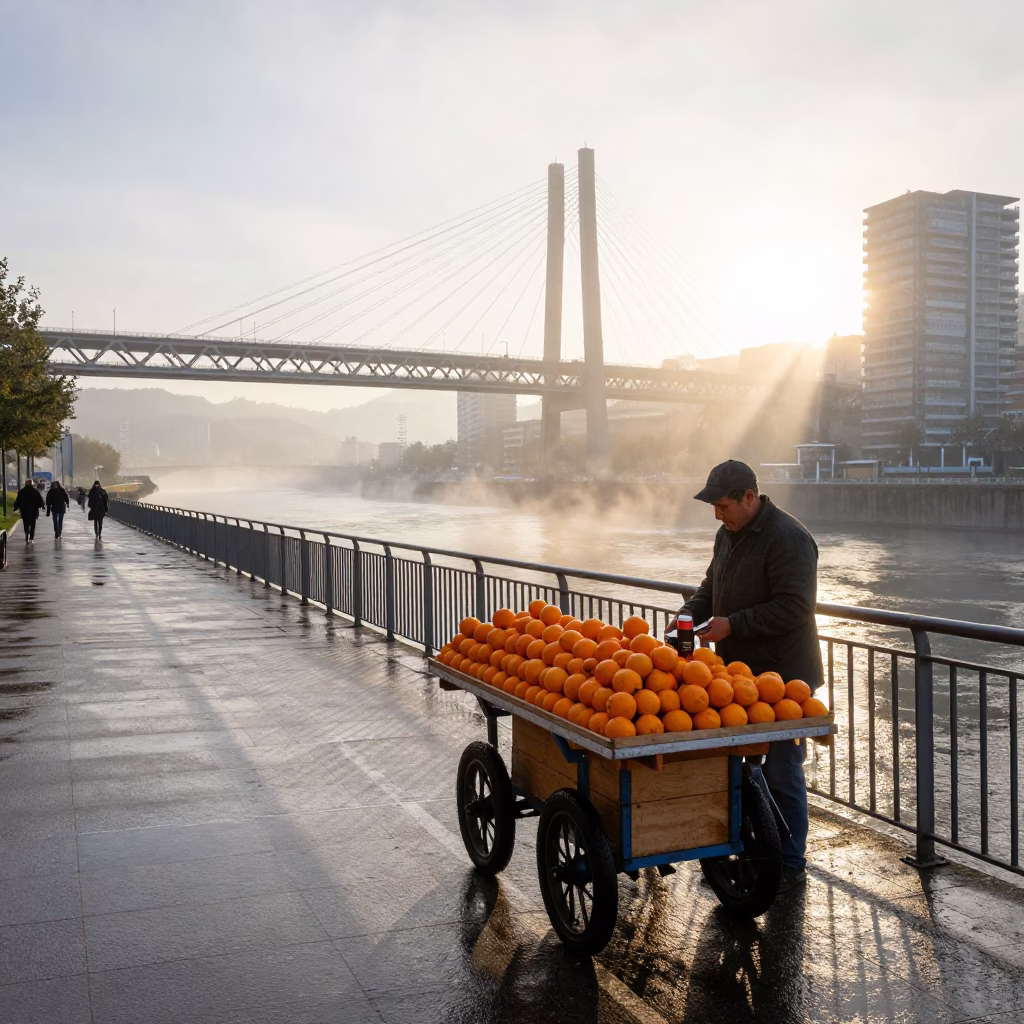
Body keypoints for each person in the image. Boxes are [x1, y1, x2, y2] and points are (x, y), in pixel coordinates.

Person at [681, 460, 823, 891]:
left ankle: (790, 861)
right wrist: (688, 617)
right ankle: (749, 853)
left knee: (780, 769)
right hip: (739, 678)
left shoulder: (789, 539)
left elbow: (795, 607)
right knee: (740, 770)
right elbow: (710, 588)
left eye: (722, 505)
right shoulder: (728, 535)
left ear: (749, 497)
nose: (717, 514)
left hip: (784, 680)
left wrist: (733, 625)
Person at [13, 478, 44, 543]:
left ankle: (27, 533)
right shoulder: (35, 491)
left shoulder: (21, 492)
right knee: (33, 524)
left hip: (25, 511)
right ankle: (31, 537)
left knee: (26, 523)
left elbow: (18, 500)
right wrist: (42, 506)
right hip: (33, 511)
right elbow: (40, 499)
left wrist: (15, 507)